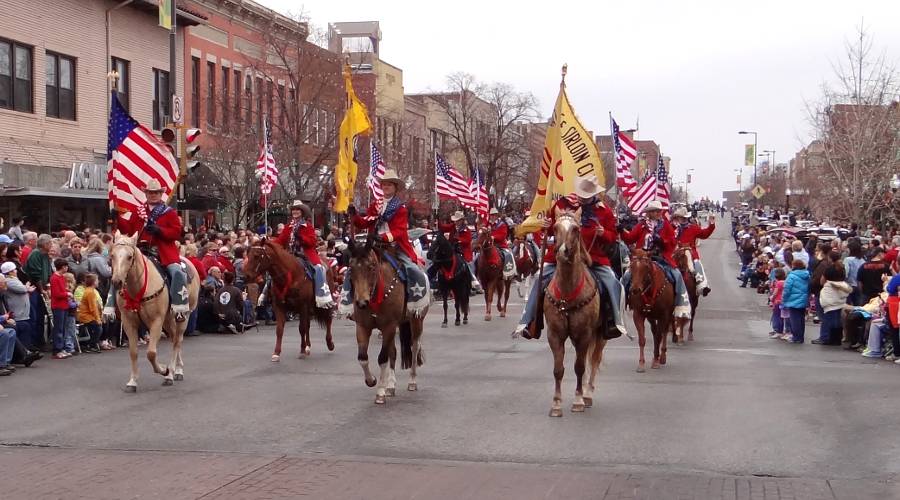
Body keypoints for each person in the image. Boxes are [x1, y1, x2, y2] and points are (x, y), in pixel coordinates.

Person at [513, 176, 626, 339]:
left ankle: (613, 322)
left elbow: (612, 236)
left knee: (613, 282)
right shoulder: (562, 206)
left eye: (587, 194)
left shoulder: (604, 211)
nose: (583, 197)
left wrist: (603, 233)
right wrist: (546, 226)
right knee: (539, 280)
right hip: (560, 255)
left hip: (593, 257)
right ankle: (530, 322)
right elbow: (553, 230)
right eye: (582, 193)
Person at [340, 168, 430, 317]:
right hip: (373, 246)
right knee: (354, 268)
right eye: (384, 184)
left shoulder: (400, 208)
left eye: (389, 184)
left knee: (412, 269)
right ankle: (348, 304)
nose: (386, 187)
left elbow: (400, 231)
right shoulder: (376, 205)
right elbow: (363, 223)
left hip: (394, 246)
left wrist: (383, 237)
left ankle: (413, 302)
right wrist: (354, 214)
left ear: (395, 188)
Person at [108, 179, 189, 321]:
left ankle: (178, 307)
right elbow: (128, 229)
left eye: (156, 193)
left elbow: (176, 232)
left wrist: (160, 230)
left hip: (162, 252)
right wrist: (117, 218)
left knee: (176, 272)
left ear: (160, 194)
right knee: (118, 273)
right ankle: (111, 307)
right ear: (146, 194)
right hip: (141, 251)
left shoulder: (169, 212)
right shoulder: (138, 211)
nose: (153, 195)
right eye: (150, 193)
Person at [620, 200, 692, 319]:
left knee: (677, 275)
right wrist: (621, 231)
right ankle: (623, 303)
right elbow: (630, 238)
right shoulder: (642, 225)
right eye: (654, 211)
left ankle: (680, 305)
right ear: (649, 213)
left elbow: (672, 243)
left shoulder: (666, 225)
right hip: (642, 257)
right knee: (626, 277)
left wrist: (662, 241)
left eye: (658, 211)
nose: (657, 213)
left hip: (661, 257)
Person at [274, 200, 333, 308]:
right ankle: (268, 296)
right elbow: (280, 241)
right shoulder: (288, 227)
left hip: (305, 254)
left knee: (319, 269)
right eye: (293, 210)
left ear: (302, 211)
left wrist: (301, 237)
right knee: (275, 269)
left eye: (297, 209)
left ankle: (321, 295)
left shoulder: (308, 226)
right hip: (290, 255)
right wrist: (268, 244)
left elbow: (312, 242)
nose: (295, 211)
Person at [672, 206, 715, 296]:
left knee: (697, 264)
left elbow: (704, 234)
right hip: (675, 252)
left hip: (690, 252)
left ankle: (702, 285)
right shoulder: (672, 228)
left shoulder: (693, 227)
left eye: (683, 217)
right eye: (679, 217)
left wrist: (711, 224)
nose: (681, 219)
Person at [814, 251, 851, 345]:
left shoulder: (829, 269)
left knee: (827, 317)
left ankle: (825, 337)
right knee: (837, 317)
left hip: (830, 294)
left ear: (830, 258)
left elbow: (822, 281)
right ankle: (837, 338)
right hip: (840, 294)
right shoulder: (842, 269)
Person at [782, 260, 811, 344]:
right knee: (801, 319)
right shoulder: (807, 275)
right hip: (803, 299)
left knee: (794, 319)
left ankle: (796, 337)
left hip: (793, 300)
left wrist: (784, 299)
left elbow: (787, 289)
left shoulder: (791, 276)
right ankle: (800, 337)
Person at [49, 259, 72, 359]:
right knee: (58, 328)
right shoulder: (54, 278)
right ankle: (57, 350)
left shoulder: (61, 277)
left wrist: (66, 291)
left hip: (64, 305)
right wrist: (67, 293)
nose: (67, 268)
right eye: (66, 266)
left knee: (62, 328)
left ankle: (61, 348)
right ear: (62, 267)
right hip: (58, 306)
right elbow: (56, 294)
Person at [487, 207, 517, 279]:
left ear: (497, 216)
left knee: (509, 254)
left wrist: (493, 237)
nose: (493, 216)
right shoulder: (487, 224)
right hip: (489, 245)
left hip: (500, 245)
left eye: (494, 215)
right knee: (477, 256)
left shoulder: (502, 224)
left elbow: (503, 235)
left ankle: (512, 272)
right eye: (491, 215)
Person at [77, 273, 103, 353]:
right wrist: (98, 319)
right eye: (97, 280)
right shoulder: (90, 292)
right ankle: (91, 345)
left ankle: (91, 344)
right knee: (98, 328)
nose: (98, 282)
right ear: (94, 282)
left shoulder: (89, 291)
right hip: (86, 316)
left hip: (87, 315)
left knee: (97, 327)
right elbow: (93, 308)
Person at [769, 268, 787, 339]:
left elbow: (775, 293)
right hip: (783, 301)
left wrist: (771, 297)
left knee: (776, 316)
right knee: (781, 317)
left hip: (777, 301)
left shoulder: (778, 283)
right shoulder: (785, 282)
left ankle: (778, 331)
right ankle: (781, 330)